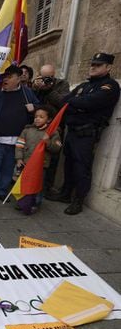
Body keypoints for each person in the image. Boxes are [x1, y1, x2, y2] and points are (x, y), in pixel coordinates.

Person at [48, 53, 120, 215]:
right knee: (69, 164)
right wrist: (77, 105)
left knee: (82, 168)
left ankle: (78, 200)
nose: (93, 67)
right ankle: (65, 194)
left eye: (98, 65)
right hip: (72, 132)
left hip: (87, 134)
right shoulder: (83, 86)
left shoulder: (109, 86)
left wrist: (75, 104)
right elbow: (65, 102)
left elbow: (90, 102)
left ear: (108, 67)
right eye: (92, 64)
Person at [0, 65, 39, 207]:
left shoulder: (27, 93)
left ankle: (1, 191)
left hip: (17, 140)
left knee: (8, 167)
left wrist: (34, 108)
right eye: (4, 76)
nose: (5, 79)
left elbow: (39, 109)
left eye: (9, 76)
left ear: (18, 78)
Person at [15, 105, 62, 214]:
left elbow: (57, 148)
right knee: (24, 183)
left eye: (41, 117)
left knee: (37, 185)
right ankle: (23, 202)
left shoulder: (53, 133)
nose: (37, 119)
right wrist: (18, 158)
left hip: (41, 165)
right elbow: (19, 144)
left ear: (49, 119)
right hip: (26, 163)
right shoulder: (27, 130)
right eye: (36, 116)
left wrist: (48, 142)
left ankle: (35, 203)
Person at [32, 64, 70, 194]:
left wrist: (49, 90)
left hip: (55, 126)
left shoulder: (62, 84)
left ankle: (46, 187)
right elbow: (33, 103)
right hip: (37, 126)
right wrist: (36, 88)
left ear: (54, 74)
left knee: (52, 158)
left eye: (50, 77)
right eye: (44, 77)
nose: (47, 80)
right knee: (34, 153)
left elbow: (64, 102)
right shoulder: (37, 85)